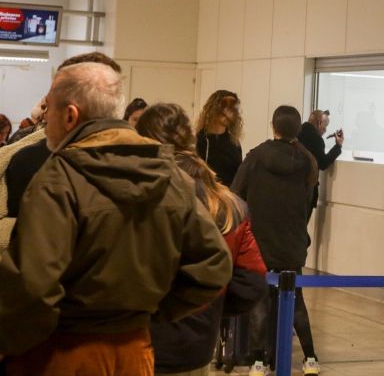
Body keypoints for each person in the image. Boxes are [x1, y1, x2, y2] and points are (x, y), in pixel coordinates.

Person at [0, 62, 232, 376]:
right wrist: (150, 312)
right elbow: (214, 266)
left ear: (70, 115)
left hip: (62, 353)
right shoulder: (169, 174)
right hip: (136, 352)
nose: (44, 119)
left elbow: (32, 286)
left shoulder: (58, 179)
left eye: (48, 110)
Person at [137, 103, 268, 376]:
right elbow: (252, 282)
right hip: (196, 347)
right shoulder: (228, 205)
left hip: (133, 343)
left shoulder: (131, 194)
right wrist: (208, 306)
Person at [1, 52, 123, 254]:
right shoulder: (162, 170)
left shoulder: (35, 165)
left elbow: (28, 267)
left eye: (50, 103)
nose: (45, 112)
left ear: (70, 115)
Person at [233, 105, 321, 376]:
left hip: (260, 240)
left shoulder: (257, 156)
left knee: (260, 301)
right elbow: (308, 200)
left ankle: (258, 362)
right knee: (296, 303)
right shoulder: (308, 161)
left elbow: (237, 193)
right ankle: (310, 359)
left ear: (273, 126)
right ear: (298, 129)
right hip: (293, 242)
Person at [297, 108, 344, 222]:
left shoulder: (297, 132)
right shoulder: (316, 139)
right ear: (319, 123)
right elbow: (323, 163)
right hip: (306, 189)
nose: (325, 130)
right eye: (325, 125)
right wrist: (338, 146)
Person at [196, 90, 243, 186]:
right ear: (214, 108)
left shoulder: (234, 144)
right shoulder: (198, 140)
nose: (230, 112)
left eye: (233, 108)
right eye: (227, 106)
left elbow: (237, 179)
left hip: (226, 197)